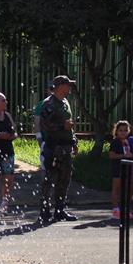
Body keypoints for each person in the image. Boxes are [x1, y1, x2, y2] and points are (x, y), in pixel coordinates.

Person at [39, 75, 78, 223]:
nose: (69, 87)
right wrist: (62, 126)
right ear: (60, 86)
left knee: (65, 179)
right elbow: (45, 125)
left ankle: (60, 210)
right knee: (49, 179)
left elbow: (69, 125)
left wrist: (73, 141)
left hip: (66, 146)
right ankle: (44, 211)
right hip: (54, 147)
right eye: (67, 85)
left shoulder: (65, 102)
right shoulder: (49, 103)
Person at [109, 120, 133, 219]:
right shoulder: (115, 142)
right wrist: (123, 155)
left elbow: (131, 153)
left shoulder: (129, 141)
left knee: (127, 188)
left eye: (125, 130)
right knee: (116, 189)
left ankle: (125, 209)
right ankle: (115, 209)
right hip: (118, 167)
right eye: (121, 130)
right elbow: (111, 155)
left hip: (128, 168)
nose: (123, 132)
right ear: (116, 131)